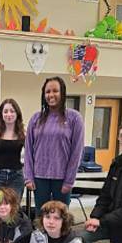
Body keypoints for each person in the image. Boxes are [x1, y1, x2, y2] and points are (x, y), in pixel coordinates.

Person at [23, 76, 84, 214]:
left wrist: (69, 180)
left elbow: (77, 152)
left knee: (60, 216)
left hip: (62, 178)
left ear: (62, 93)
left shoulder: (74, 118)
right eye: (47, 92)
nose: (51, 95)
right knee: (42, 214)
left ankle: (61, 237)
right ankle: (40, 236)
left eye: (55, 91)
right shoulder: (36, 119)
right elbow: (28, 151)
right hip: (39, 178)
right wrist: (29, 177)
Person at [0, 98, 27, 201]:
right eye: (5, 111)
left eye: (12, 111)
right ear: (1, 115)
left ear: (17, 114)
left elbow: (31, 158)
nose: (9, 114)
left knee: (14, 211)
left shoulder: (23, 135)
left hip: (16, 177)